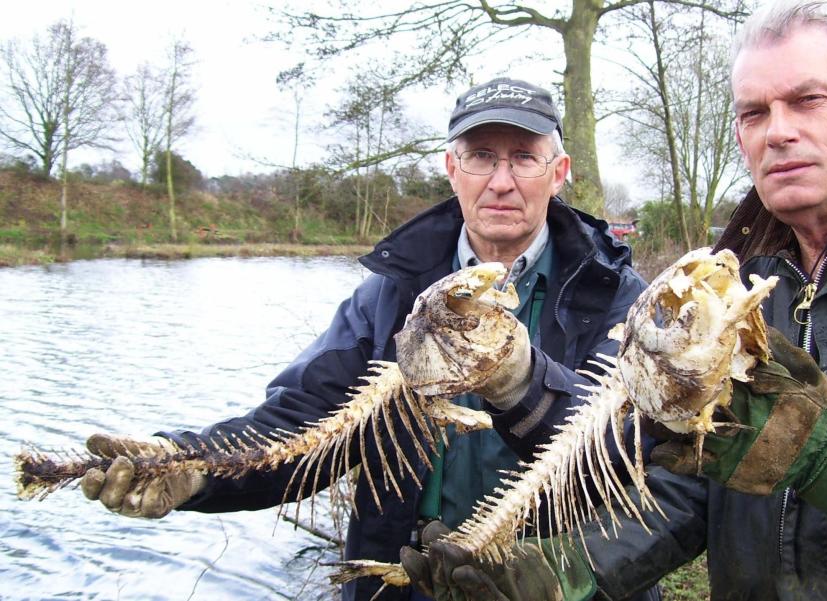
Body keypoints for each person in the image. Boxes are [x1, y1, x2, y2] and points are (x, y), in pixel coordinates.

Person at [405, 1, 827, 599]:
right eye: (753, 112)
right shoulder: (737, 279)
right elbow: (689, 483)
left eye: (808, 101)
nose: (778, 131)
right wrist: (560, 572)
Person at [78, 77, 659, 601]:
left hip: (557, 586)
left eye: (524, 158)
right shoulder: (391, 295)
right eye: (481, 157)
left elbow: (624, 450)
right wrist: (194, 468)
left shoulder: (617, 296)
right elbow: (301, 422)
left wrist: (516, 380)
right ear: (451, 169)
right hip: (400, 582)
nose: (501, 182)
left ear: (558, 173)